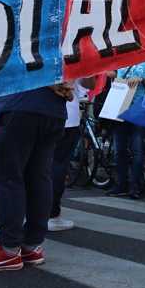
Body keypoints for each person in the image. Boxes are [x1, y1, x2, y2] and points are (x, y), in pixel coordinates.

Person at [0, 83, 71, 272]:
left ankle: (9, 249)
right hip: (54, 108)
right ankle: (32, 245)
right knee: (40, 177)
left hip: (17, 102)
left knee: (8, 177)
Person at [106, 62, 145, 199]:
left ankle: (135, 186)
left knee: (137, 150)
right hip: (120, 108)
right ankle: (121, 185)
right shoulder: (123, 58)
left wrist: (142, 80)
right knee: (120, 150)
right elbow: (113, 75)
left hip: (139, 111)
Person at [49, 77, 94, 231]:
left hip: (40, 114)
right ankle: (52, 214)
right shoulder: (76, 53)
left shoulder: (43, 52)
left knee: (38, 165)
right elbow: (90, 83)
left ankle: (32, 212)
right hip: (67, 118)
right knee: (58, 165)